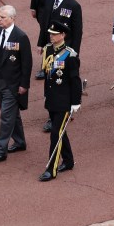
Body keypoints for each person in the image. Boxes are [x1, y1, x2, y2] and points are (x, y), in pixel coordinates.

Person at [36, 0, 81, 132]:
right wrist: (41, 43)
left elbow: (77, 32)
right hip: (50, 48)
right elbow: (45, 25)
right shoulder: (49, 1)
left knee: (64, 81)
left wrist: (74, 52)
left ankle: (65, 109)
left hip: (65, 51)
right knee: (49, 80)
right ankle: (52, 112)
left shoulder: (73, 5)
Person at [0, 5, 32, 162]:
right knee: (13, 114)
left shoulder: (21, 37)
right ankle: (20, 141)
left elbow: (27, 64)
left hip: (13, 83)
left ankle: (0, 150)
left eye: (3, 17)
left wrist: (24, 85)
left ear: (12, 18)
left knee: (6, 116)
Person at [39, 20, 81, 182]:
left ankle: (51, 169)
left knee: (56, 133)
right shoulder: (48, 49)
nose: (51, 36)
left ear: (62, 35)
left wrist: (75, 103)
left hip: (64, 101)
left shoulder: (70, 55)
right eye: (50, 33)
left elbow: (75, 81)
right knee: (61, 131)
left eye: (54, 34)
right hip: (51, 98)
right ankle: (69, 160)